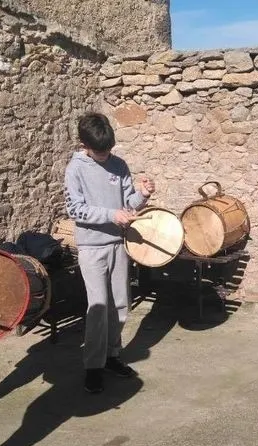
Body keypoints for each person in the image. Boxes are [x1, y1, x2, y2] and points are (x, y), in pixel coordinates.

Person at [64, 112, 154, 394]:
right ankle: (93, 366)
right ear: (84, 144)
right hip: (92, 248)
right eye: (99, 151)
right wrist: (111, 215)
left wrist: (143, 196)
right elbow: (75, 209)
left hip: (118, 245)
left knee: (120, 304)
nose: (105, 155)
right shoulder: (75, 169)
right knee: (98, 308)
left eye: (108, 150)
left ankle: (112, 356)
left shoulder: (119, 165)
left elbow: (128, 203)